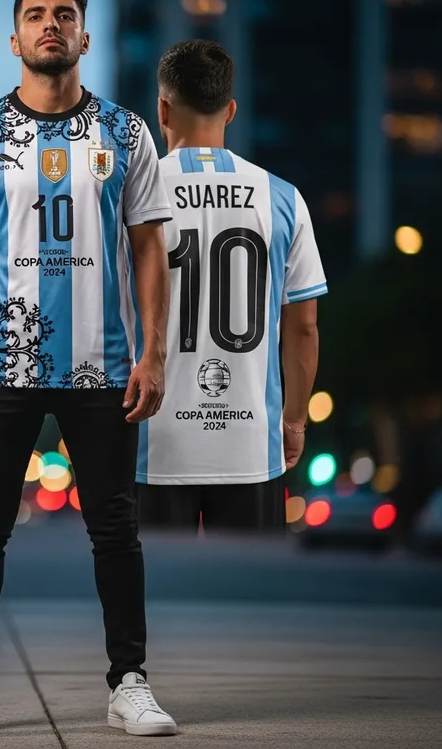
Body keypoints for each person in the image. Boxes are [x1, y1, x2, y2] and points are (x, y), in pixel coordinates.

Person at [0, 0, 177, 739]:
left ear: (84, 35)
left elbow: (148, 248)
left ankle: (128, 683)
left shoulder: (127, 132)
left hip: (101, 363)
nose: (50, 26)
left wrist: (154, 353)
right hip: (1, 360)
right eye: (36, 15)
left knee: (114, 528)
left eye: (64, 14)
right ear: (15, 38)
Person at [135, 40, 327, 534]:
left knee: (150, 601)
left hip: (153, 442)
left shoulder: (129, 194)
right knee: (250, 604)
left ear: (162, 108)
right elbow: (302, 328)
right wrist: (295, 421)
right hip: (249, 442)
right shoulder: (282, 197)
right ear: (231, 110)